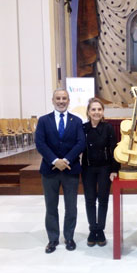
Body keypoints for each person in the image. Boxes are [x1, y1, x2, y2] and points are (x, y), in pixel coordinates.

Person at [35, 89, 85, 254]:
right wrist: (56, 161)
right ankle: (53, 239)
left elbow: (80, 143)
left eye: (64, 98)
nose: (61, 101)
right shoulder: (43, 121)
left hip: (70, 170)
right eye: (58, 98)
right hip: (50, 170)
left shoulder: (77, 121)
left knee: (71, 207)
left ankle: (69, 237)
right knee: (51, 206)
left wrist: (67, 160)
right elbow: (40, 143)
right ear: (53, 100)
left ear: (69, 100)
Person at [81, 98, 120, 247]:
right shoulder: (83, 128)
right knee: (90, 200)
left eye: (99, 109)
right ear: (88, 112)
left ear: (103, 112)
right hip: (88, 168)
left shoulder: (108, 128)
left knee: (103, 200)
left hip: (105, 169)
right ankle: (93, 229)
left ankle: (101, 229)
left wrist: (114, 169)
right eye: (93, 109)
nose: (96, 112)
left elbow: (114, 149)